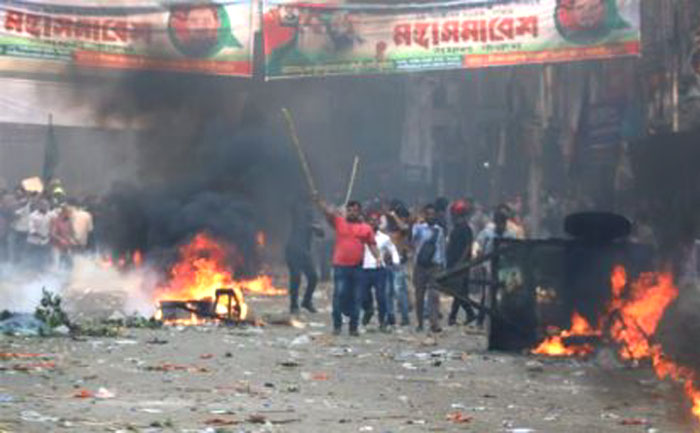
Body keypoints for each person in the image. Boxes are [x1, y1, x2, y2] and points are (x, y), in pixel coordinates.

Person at [314, 196, 382, 336]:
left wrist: (378, 257)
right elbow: (328, 213)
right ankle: (337, 326)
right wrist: (319, 201)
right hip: (340, 267)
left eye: (355, 210)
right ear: (346, 211)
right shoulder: (339, 222)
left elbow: (372, 245)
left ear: (359, 213)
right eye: (349, 210)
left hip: (357, 268)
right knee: (339, 295)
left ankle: (353, 328)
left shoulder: (366, 228)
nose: (352, 212)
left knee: (356, 297)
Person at [360, 212, 400, 332]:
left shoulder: (384, 238)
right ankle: (368, 311)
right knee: (363, 296)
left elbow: (392, 249)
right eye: (370, 220)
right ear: (367, 222)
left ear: (379, 222)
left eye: (375, 220)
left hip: (379, 270)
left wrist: (396, 261)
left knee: (381, 297)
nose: (373, 222)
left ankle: (382, 321)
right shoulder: (361, 236)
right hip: (364, 269)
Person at [411, 203, 446, 333]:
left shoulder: (440, 230)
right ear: (424, 215)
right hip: (420, 266)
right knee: (419, 296)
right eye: (428, 214)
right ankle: (420, 323)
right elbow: (412, 240)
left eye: (433, 214)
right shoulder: (419, 229)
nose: (431, 217)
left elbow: (441, 249)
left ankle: (434, 323)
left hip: (434, 266)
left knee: (434, 295)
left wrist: (443, 265)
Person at [285, 200, 323, 314]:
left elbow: (321, 234)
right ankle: (293, 305)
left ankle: (306, 301)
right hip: (292, 251)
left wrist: (316, 227)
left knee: (313, 277)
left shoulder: (312, 223)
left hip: (305, 253)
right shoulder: (297, 220)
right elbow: (293, 207)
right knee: (296, 277)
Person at [446, 199, 476, 326]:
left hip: (461, 265)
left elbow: (467, 247)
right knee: (461, 292)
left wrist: (461, 262)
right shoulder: (456, 228)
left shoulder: (466, 229)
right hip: (454, 263)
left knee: (458, 291)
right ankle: (470, 314)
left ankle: (453, 316)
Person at [386, 201, 412, 326]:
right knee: (389, 292)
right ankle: (391, 317)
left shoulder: (402, 230)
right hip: (387, 264)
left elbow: (404, 227)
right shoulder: (387, 229)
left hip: (398, 264)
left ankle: (405, 317)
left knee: (398, 291)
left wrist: (394, 216)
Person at [26, 199, 52, 270]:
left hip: (45, 242)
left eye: (46, 205)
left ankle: (41, 274)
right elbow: (31, 229)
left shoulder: (51, 215)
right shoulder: (33, 215)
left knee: (44, 259)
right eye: (43, 205)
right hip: (34, 242)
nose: (45, 207)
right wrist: (41, 236)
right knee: (33, 259)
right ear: (39, 206)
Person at [50, 204, 76, 270]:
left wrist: (73, 239)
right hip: (57, 246)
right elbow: (53, 233)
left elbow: (72, 232)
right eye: (68, 212)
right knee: (58, 263)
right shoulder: (56, 220)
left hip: (66, 246)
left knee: (69, 263)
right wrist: (60, 239)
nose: (70, 214)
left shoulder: (69, 221)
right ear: (64, 212)